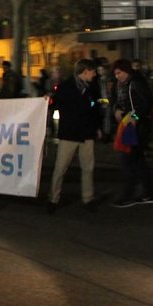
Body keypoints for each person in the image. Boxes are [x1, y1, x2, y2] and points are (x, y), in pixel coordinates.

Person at [46, 59, 101, 213]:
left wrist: (97, 127)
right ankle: (53, 198)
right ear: (85, 71)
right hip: (70, 133)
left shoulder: (91, 87)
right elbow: (54, 103)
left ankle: (88, 198)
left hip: (86, 133)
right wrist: (48, 100)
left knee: (88, 167)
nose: (95, 74)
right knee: (60, 167)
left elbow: (95, 108)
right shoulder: (66, 87)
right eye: (93, 71)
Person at [110, 59, 153, 208]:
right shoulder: (121, 84)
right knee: (137, 160)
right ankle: (148, 192)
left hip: (138, 126)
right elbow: (116, 101)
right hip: (128, 124)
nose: (117, 76)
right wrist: (116, 110)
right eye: (115, 74)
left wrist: (135, 117)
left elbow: (146, 103)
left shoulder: (136, 82)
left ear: (126, 70)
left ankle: (129, 194)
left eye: (119, 73)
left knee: (128, 159)